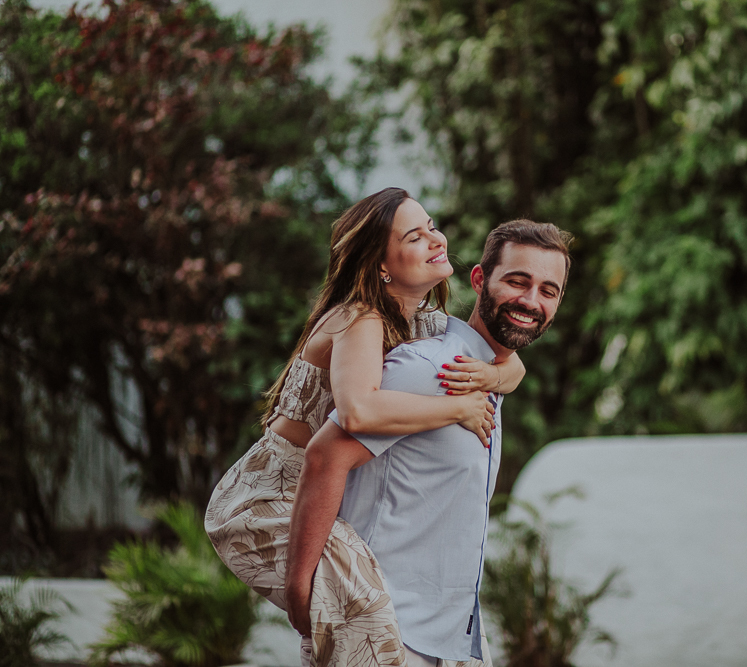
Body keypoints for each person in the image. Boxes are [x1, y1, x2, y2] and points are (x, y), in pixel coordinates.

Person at [204, 188, 526, 666]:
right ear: (381, 265)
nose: (437, 239)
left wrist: (492, 377)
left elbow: (513, 365)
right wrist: (458, 409)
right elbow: (358, 411)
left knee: (373, 621)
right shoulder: (360, 317)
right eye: (415, 237)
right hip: (267, 501)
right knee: (370, 616)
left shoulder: (421, 322)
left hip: (317, 499)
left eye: (431, 227)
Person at [284, 220, 572, 667]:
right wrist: (300, 591)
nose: (531, 301)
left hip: (448, 639)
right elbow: (326, 455)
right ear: (480, 280)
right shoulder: (431, 368)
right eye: (518, 281)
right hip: (381, 632)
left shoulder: (485, 375)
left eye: (548, 291)